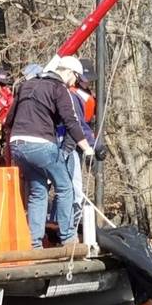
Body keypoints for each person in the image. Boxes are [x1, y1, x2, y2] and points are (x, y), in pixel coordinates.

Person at [6, 55, 94, 249]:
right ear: (69, 73)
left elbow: (9, 119)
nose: (74, 83)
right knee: (65, 187)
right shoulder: (59, 88)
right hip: (41, 145)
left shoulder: (27, 85)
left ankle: (34, 244)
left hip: (17, 146)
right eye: (75, 78)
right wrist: (87, 148)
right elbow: (71, 121)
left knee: (38, 191)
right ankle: (68, 238)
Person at [51, 58, 107, 227]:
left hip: (78, 141)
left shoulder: (85, 96)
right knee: (72, 188)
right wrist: (94, 144)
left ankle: (62, 225)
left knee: (68, 186)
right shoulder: (71, 95)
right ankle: (67, 228)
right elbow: (78, 124)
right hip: (68, 142)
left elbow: (85, 123)